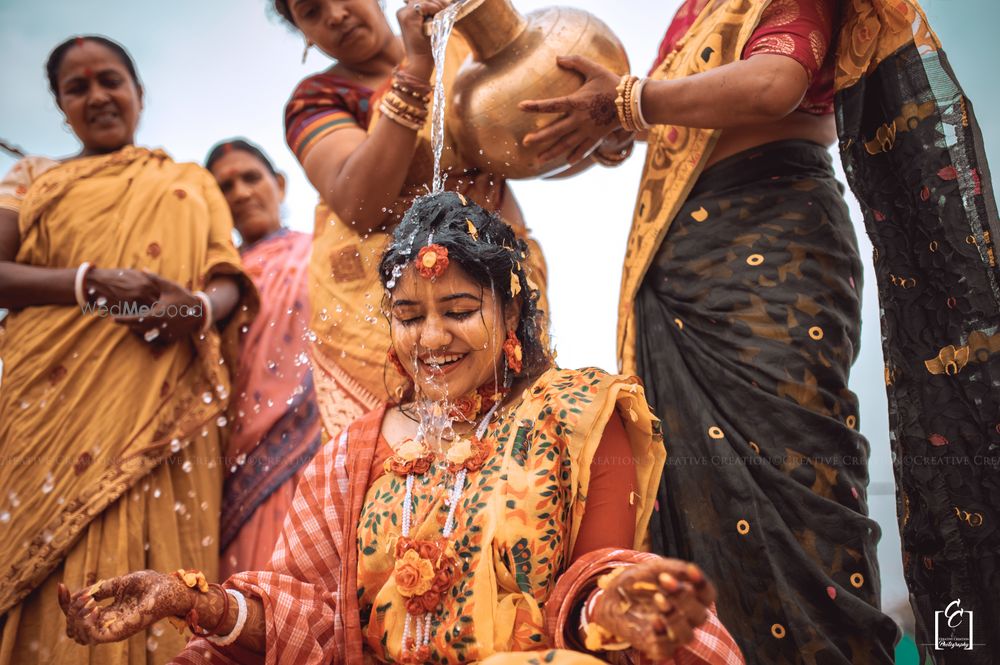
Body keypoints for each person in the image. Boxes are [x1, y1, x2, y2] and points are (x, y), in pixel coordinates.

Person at [57, 192, 744, 665]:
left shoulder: (581, 409)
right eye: (410, 315)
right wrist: (189, 598)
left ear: (509, 311)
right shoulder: (351, 453)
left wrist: (614, 603)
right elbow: (317, 625)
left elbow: (593, 575)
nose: (432, 337)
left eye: (459, 308)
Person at [520, 0, 1000, 663]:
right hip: (686, 265)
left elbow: (776, 84)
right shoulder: (696, 14)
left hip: (767, 249)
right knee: (691, 486)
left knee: (788, 478)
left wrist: (630, 103)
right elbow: (682, 118)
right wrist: (609, 125)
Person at [0, 36, 256, 664]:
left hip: (163, 397)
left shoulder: (188, 180)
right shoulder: (32, 179)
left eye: (110, 80)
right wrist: (89, 284)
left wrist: (192, 310)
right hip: (49, 404)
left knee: (161, 571)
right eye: (77, 88)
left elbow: (226, 276)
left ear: (138, 93)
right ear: (61, 107)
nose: (97, 96)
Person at [272, 0, 549, 442]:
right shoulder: (317, 99)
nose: (336, 14)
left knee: (521, 442)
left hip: (499, 274)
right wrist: (417, 69)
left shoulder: (460, 43)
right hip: (381, 306)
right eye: (311, 10)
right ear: (304, 32)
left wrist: (601, 129)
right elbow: (359, 204)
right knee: (409, 460)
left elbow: (527, 116)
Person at [204, 139, 321, 578]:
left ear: (280, 183)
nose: (239, 193)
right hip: (235, 461)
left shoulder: (323, 251)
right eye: (224, 187)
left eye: (250, 178)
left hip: (318, 441)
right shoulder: (213, 278)